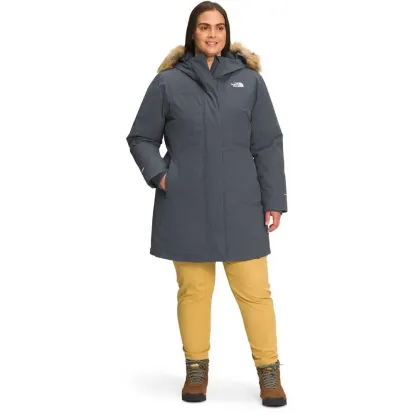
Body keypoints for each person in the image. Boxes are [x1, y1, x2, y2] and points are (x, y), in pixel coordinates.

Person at [125, 1, 288, 407]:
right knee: (194, 291)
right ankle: (196, 370)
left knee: (255, 292)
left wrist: (274, 200)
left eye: (219, 27)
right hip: (187, 203)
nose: (212, 34)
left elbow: (267, 142)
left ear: (227, 33)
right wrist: (163, 176)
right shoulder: (168, 83)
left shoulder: (249, 82)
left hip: (242, 202)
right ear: (193, 33)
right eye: (204, 27)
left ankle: (269, 372)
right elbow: (141, 137)